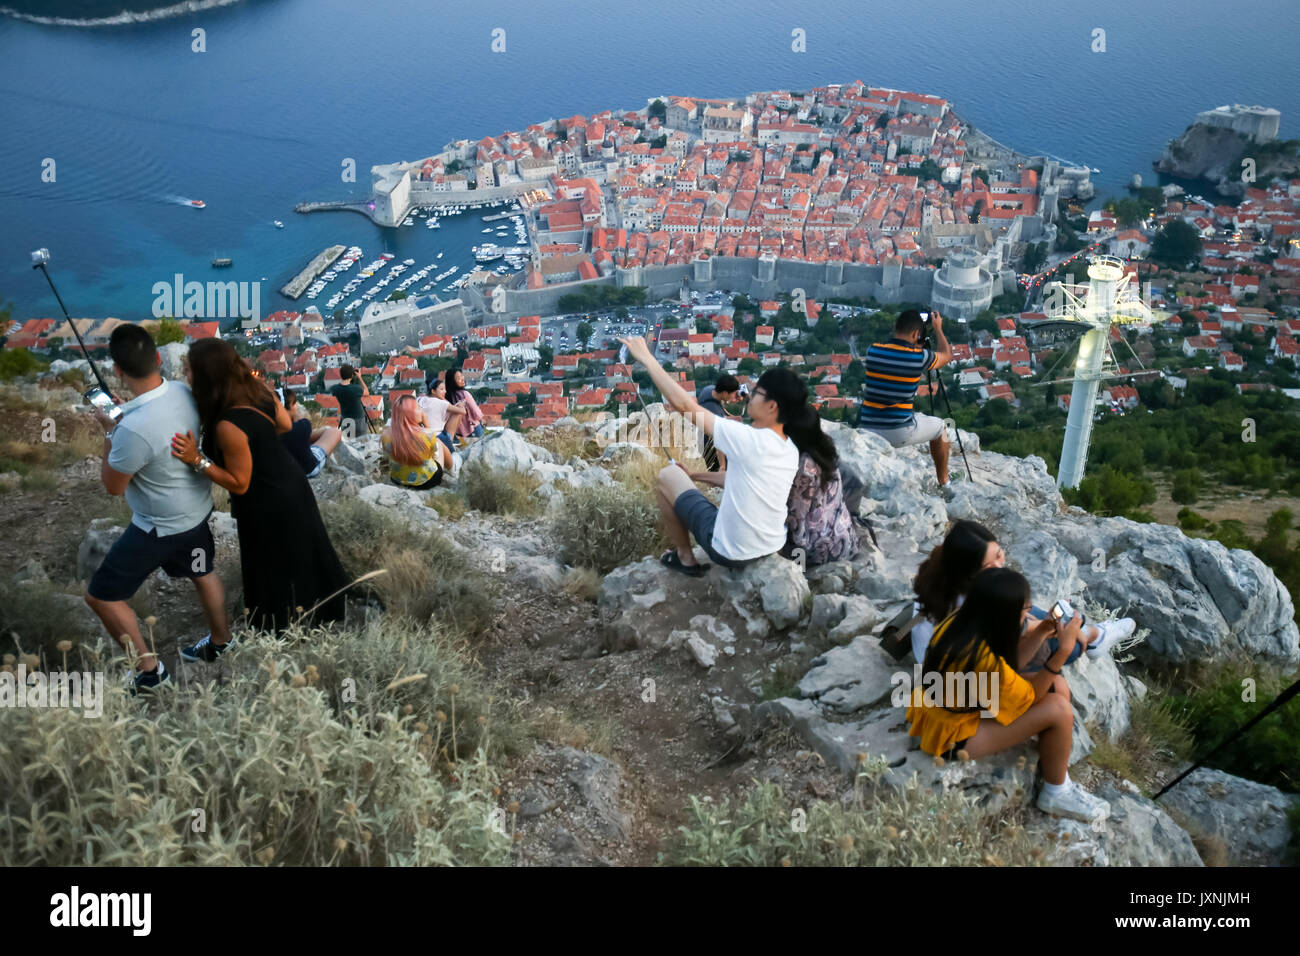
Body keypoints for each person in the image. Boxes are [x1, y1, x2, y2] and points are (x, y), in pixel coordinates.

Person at [84, 325, 233, 693]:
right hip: (197, 511)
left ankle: (150, 672)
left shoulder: (130, 430)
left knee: (101, 596)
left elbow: (112, 486)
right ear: (155, 358)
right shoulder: (185, 392)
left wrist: (110, 432)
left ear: (118, 372)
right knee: (203, 571)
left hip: (158, 528)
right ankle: (221, 640)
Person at [170, 338, 351, 635]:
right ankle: (320, 614)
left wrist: (197, 460)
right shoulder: (257, 394)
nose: (185, 375)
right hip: (290, 484)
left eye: (188, 370)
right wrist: (261, 446)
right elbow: (285, 426)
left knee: (272, 564)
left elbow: (239, 484)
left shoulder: (228, 425)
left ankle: (279, 627)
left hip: (267, 500)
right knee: (304, 553)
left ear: (206, 374)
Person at [907, 567, 1111, 823]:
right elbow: (1031, 695)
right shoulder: (982, 658)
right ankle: (1056, 792)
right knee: (1059, 710)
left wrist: (1042, 630)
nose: (1029, 612)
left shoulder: (963, 620)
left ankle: (1053, 758)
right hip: (950, 736)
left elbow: (1011, 669)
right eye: (1025, 610)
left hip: (951, 701)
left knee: (1057, 686)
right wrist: (1062, 652)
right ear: (1004, 616)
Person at [619, 334, 802, 576]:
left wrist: (647, 358)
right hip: (771, 545)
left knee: (666, 476)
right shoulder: (789, 448)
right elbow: (736, 479)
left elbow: (685, 406)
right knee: (683, 479)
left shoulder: (747, 438)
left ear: (772, 406)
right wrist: (693, 475)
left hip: (730, 552)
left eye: (757, 393)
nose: (749, 396)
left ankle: (685, 558)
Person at [910, 519, 1135, 670]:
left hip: (942, 656)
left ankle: (1094, 635)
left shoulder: (946, 569)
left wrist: (1045, 623)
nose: (1001, 564)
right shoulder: (981, 603)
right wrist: (1056, 629)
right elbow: (1023, 631)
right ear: (970, 572)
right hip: (963, 677)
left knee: (1047, 615)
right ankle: (1095, 637)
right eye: (991, 565)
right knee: (1074, 643)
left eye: (999, 554)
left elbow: (1023, 620)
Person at [857, 309, 953, 490]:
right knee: (941, 427)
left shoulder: (873, 351)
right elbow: (947, 356)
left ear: (895, 328)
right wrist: (938, 328)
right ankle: (944, 482)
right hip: (898, 432)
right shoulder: (919, 357)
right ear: (917, 334)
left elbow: (895, 353)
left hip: (867, 429)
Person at [779, 422, 860, 567]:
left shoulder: (805, 467)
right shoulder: (825, 451)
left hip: (820, 551)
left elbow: (796, 522)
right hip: (845, 540)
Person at [381, 394, 445, 489]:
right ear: (410, 413)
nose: (422, 411)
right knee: (439, 443)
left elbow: (388, 458)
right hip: (426, 481)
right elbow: (433, 456)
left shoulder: (385, 435)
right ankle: (453, 469)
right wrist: (426, 423)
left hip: (397, 480)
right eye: (418, 408)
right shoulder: (427, 434)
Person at [280, 387, 342, 479]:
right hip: (307, 469)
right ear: (290, 407)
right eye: (295, 403)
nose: (297, 405)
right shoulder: (302, 425)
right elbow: (299, 432)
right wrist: (297, 418)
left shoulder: (268, 429)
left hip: (282, 469)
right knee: (335, 431)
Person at [696, 373, 743, 471]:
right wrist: (723, 465)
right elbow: (718, 440)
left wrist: (730, 416)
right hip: (710, 449)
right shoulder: (712, 408)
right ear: (725, 393)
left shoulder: (709, 389)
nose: (735, 396)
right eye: (734, 393)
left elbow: (717, 417)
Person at [416, 375, 465, 468]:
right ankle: (452, 439)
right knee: (457, 413)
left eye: (445, 389)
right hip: (438, 436)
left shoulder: (420, 399)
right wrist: (461, 405)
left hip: (421, 434)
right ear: (433, 391)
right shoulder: (442, 403)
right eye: (442, 389)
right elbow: (463, 412)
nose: (445, 392)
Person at [443, 367, 484, 441]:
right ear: (452, 382)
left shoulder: (446, 397)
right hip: (473, 429)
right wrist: (482, 419)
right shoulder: (465, 394)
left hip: (458, 433)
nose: (462, 379)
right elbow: (476, 413)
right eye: (459, 378)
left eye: (462, 376)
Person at [329, 364, 370, 440]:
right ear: (352, 375)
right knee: (362, 442)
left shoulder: (335, 389)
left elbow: (335, 389)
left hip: (346, 419)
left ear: (341, 375)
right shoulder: (356, 389)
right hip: (359, 419)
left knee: (349, 443)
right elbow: (367, 392)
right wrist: (360, 377)